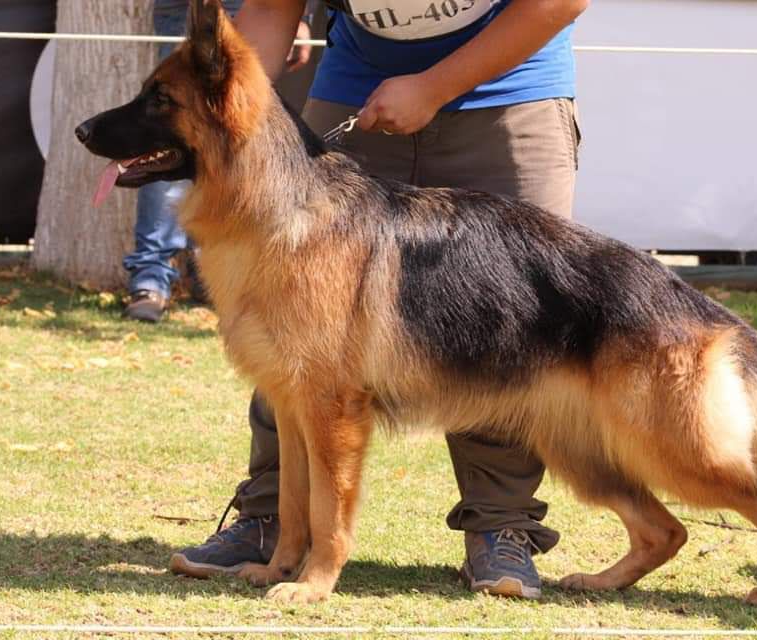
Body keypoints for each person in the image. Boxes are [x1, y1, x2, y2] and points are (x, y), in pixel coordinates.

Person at [169, 0, 588, 599]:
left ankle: (502, 529)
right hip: (355, 96)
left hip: (510, 91)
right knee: (291, 327)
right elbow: (267, 8)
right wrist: (232, 106)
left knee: (504, 325)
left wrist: (435, 86)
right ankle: (270, 521)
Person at [122, 0, 315, 322]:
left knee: (228, 148)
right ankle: (150, 278)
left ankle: (208, 273)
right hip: (191, 8)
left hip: (264, 9)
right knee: (167, 142)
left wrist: (301, 15)